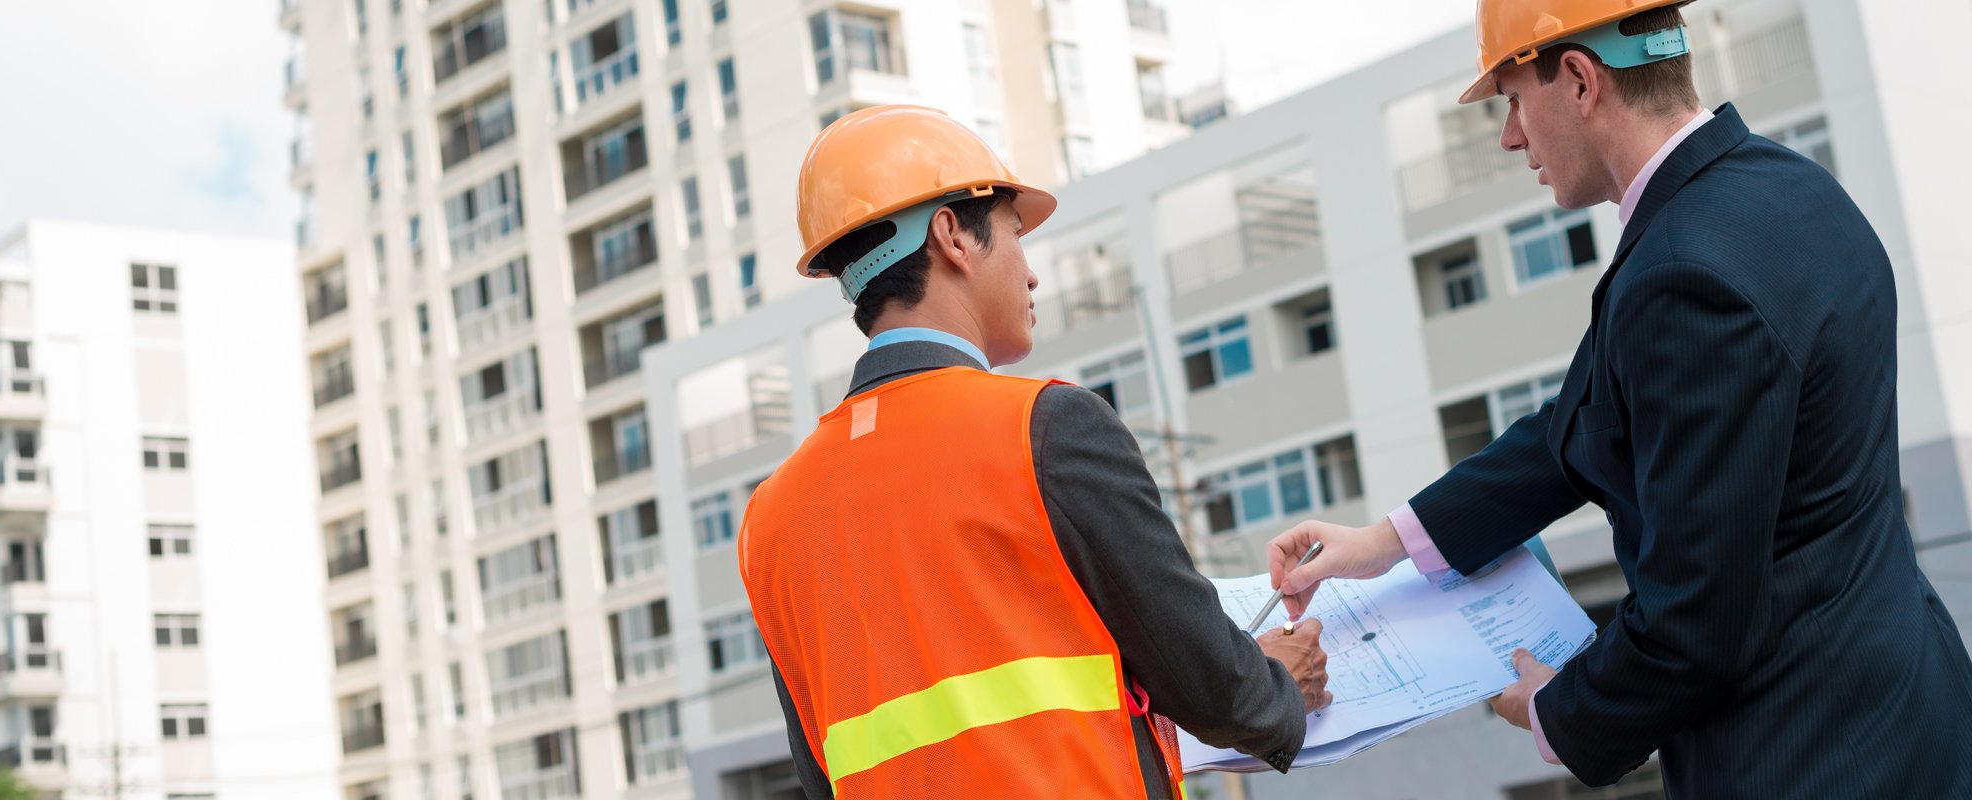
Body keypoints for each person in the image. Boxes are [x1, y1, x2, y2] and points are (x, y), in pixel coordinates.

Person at [1267, 1, 1972, 795]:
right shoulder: (1789, 190)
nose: (1509, 137)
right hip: (1904, 707)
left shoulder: (1684, 272)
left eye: (1511, 98)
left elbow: (1697, 619)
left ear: (1577, 80)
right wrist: (1384, 542)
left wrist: (1559, 710)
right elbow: (1585, 422)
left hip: (1809, 752)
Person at [738, 105, 1331, 799]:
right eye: (1017, 235)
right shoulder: (1044, 427)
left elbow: (820, 773)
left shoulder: (768, 522)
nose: (1031, 274)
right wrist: (1280, 686)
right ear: (952, 234)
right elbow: (1209, 682)